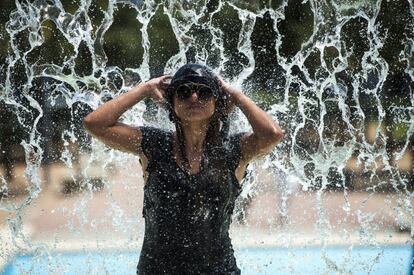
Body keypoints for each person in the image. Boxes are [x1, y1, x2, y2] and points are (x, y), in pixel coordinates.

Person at [83, 64, 284, 274]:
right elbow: (95, 123)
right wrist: (146, 89)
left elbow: (272, 134)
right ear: (172, 102)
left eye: (205, 92)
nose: (194, 97)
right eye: (184, 92)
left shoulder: (232, 150)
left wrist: (236, 95)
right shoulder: (154, 145)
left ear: (218, 101)